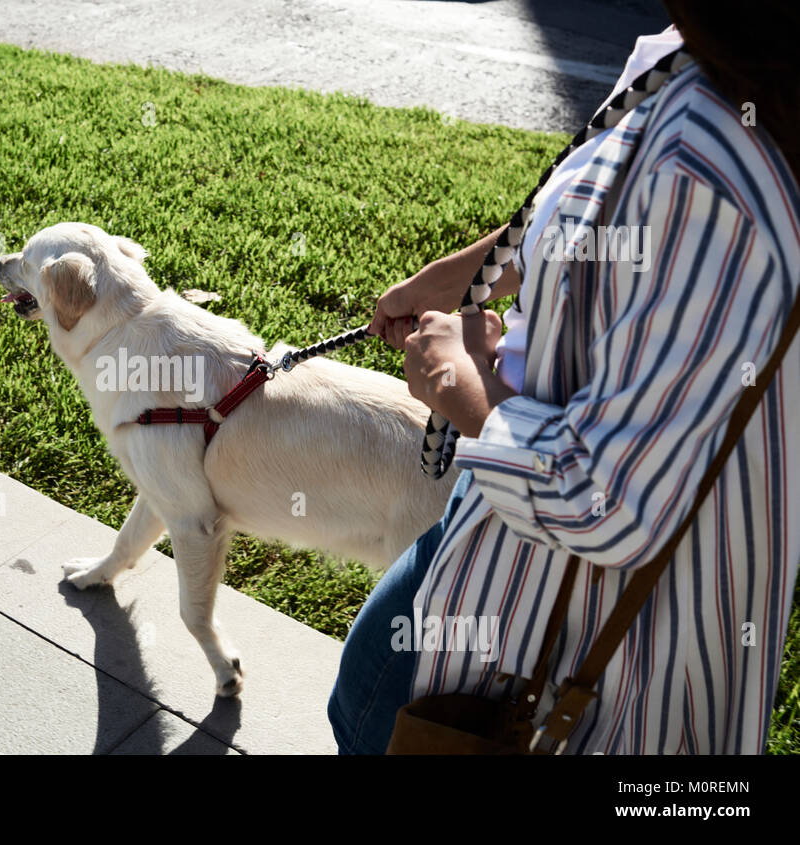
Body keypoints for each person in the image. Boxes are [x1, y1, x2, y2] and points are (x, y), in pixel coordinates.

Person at [328, 2, 800, 754]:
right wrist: (459, 278)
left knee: (372, 717)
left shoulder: (707, 169)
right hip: (507, 520)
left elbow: (608, 494)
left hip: (575, 609)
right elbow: (583, 209)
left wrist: (462, 384)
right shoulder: (693, 58)